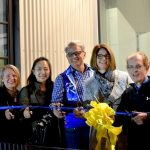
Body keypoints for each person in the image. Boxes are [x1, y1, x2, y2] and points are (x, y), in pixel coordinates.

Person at [83, 44, 132, 150]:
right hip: (98, 133)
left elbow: (133, 101)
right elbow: (87, 109)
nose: (104, 59)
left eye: (107, 56)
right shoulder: (88, 83)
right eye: (100, 56)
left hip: (121, 129)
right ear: (95, 58)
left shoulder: (124, 77)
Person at [51, 40, 94, 149]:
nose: (74, 56)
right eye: (70, 54)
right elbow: (55, 102)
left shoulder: (95, 73)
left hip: (94, 125)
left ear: (84, 54)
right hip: (73, 126)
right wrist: (56, 110)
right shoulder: (61, 78)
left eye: (77, 53)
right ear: (67, 57)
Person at [114, 51, 150, 150]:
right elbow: (118, 119)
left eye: (138, 66)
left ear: (147, 67)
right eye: (130, 67)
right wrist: (106, 115)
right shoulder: (128, 92)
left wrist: (147, 116)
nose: (134, 70)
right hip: (132, 143)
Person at [18, 57, 56, 146]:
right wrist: (25, 113)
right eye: (39, 69)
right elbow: (21, 112)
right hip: (35, 136)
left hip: (55, 135)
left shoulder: (55, 87)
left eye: (46, 69)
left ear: (50, 71)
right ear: (33, 71)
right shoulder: (26, 91)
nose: (43, 72)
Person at [0, 64, 21, 143]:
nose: (12, 78)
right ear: (2, 79)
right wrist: (3, 115)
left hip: (19, 139)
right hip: (3, 141)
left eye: (14, 75)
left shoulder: (22, 94)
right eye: (8, 76)